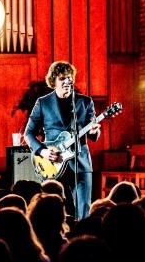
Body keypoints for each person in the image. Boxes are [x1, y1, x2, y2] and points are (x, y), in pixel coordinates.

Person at [23, 61, 101, 223]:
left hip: (80, 163)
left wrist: (95, 131)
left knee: (84, 210)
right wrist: (43, 151)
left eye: (69, 78)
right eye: (62, 78)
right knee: (52, 211)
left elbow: (94, 132)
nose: (67, 81)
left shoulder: (85, 102)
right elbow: (28, 134)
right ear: (54, 81)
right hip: (53, 164)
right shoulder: (43, 103)